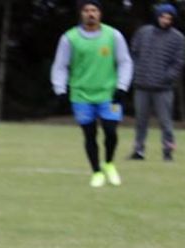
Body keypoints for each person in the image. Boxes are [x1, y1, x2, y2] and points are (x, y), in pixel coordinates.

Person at [50, 0, 133, 188]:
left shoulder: (113, 35)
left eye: (94, 10)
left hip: (109, 94)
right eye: (86, 10)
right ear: (81, 14)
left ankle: (109, 163)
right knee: (90, 134)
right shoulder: (69, 38)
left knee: (111, 131)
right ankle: (96, 171)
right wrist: (60, 89)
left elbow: (125, 62)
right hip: (81, 95)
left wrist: (122, 86)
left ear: (100, 13)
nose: (90, 14)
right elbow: (60, 65)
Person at [129, 3, 185, 162]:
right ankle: (138, 150)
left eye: (169, 18)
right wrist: (136, 72)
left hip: (163, 88)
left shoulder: (178, 38)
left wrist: (167, 77)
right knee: (140, 121)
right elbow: (133, 53)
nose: (166, 20)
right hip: (142, 85)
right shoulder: (143, 33)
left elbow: (178, 63)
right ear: (157, 16)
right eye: (163, 17)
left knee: (165, 122)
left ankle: (168, 151)